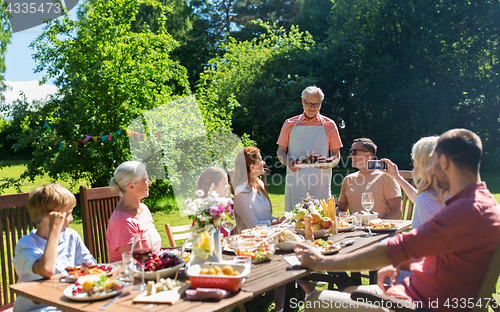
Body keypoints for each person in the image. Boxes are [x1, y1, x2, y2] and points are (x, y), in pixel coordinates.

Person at [294, 128, 500, 312]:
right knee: (349, 289)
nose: (431, 168)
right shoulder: (485, 204)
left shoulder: (461, 212)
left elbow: (391, 250)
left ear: (444, 161)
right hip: (429, 294)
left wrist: (322, 261)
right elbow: (446, 255)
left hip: (416, 304)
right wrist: (405, 266)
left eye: (434, 161)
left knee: (316, 299)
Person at [13, 184, 96, 312]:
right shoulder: (25, 245)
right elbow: (46, 270)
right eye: (68, 214)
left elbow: (91, 266)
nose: (72, 218)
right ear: (51, 217)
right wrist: (55, 230)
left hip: (66, 303)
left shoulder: (71, 236)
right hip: (38, 308)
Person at [277, 86, 343, 212]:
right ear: (302, 102)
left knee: (321, 217)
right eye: (309, 104)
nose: (312, 108)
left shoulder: (330, 125)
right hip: (295, 176)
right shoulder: (289, 123)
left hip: (320, 177)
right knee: (295, 216)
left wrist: (329, 163)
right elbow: (281, 151)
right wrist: (288, 163)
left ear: (321, 104)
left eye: (316, 105)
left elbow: (336, 154)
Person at [382, 136, 447, 229]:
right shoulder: (448, 189)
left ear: (424, 161)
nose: (413, 163)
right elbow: (419, 199)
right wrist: (397, 177)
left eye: (413, 158)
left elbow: (425, 237)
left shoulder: (425, 199)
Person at [106, 161, 162, 263]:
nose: (149, 182)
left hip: (155, 269)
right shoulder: (122, 222)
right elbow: (138, 263)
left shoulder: (143, 209)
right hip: (134, 276)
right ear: (131, 186)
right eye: (145, 179)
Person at [338, 138, 402, 219]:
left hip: (379, 230)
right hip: (354, 230)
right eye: (350, 152)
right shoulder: (348, 179)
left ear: (367, 155)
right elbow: (341, 209)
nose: (350, 156)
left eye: (353, 152)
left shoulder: (385, 177)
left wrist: (377, 226)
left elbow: (397, 212)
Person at [233, 146, 286, 232]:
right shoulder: (241, 191)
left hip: (266, 234)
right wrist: (278, 221)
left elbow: (266, 217)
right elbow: (252, 225)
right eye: (260, 160)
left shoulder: (259, 183)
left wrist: (283, 220)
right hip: (249, 240)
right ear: (252, 167)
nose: (264, 162)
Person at [195, 166, 232, 237]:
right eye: (225, 183)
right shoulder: (204, 213)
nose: (228, 186)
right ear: (213, 187)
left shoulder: (223, 206)